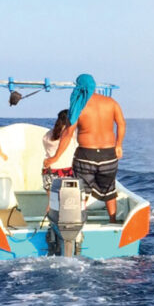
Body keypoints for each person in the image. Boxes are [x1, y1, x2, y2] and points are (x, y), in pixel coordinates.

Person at [44, 74, 126, 223]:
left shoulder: (79, 105)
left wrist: (55, 157)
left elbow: (68, 133)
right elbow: (121, 124)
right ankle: (113, 221)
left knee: (81, 191)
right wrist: (119, 145)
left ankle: (79, 222)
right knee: (109, 190)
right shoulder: (111, 103)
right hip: (109, 155)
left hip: (86, 155)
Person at [42, 109, 75, 190]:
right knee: (68, 197)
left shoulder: (47, 134)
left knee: (52, 198)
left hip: (49, 170)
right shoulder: (72, 134)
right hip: (66, 170)